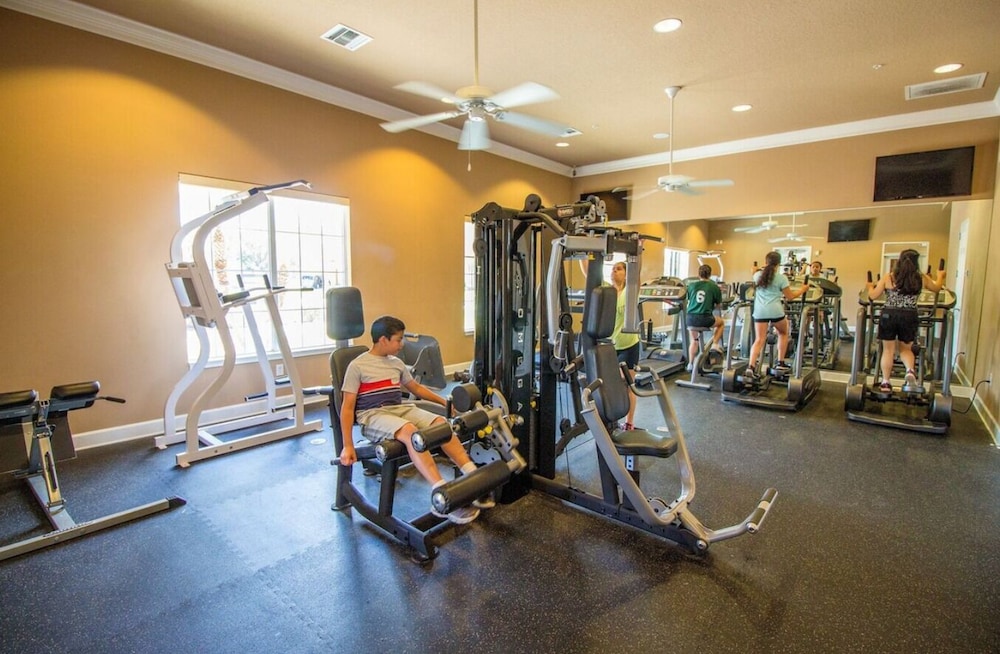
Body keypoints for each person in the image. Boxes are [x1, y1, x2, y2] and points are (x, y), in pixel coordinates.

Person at [338, 315, 492, 524]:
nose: (401, 344)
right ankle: (441, 493)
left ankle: (472, 476)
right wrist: (347, 445)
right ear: (383, 340)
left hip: (400, 409)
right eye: (398, 339)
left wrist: (444, 403)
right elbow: (347, 408)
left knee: (440, 425)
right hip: (372, 415)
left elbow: (416, 388)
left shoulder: (396, 363)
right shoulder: (357, 366)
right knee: (410, 431)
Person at [866, 249, 946, 393]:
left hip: (889, 315)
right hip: (909, 315)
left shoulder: (889, 277)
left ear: (899, 261)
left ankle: (885, 382)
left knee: (888, 350)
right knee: (905, 349)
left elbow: (872, 296)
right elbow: (937, 287)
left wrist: (870, 286)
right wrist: (940, 276)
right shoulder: (921, 278)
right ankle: (910, 370)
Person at [745, 251, 811, 379]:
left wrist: (754, 270)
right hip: (775, 311)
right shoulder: (782, 278)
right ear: (778, 264)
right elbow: (790, 297)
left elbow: (755, 272)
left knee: (759, 339)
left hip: (760, 312)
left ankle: (751, 367)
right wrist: (803, 290)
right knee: (783, 333)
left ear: (765, 262)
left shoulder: (757, 275)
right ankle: (780, 363)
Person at [609, 261, 640, 430]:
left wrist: (637, 254)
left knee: (627, 384)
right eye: (613, 269)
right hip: (610, 346)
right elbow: (588, 273)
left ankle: (629, 422)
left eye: (619, 269)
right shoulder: (607, 291)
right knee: (610, 384)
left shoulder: (630, 291)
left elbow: (637, 274)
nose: (614, 271)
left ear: (627, 274)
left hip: (629, 346)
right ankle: (612, 420)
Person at [685, 264, 725, 370]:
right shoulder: (714, 287)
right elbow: (718, 305)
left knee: (694, 340)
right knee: (721, 323)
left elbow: (690, 300)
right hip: (705, 319)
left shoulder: (691, 286)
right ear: (710, 275)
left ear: (698, 274)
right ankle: (715, 344)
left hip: (690, 318)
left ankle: (690, 364)